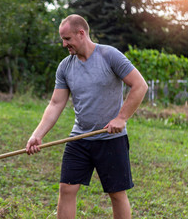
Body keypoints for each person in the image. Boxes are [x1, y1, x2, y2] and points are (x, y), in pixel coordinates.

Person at [25, 14, 148, 219]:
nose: (64, 44)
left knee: (116, 194)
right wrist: (37, 134)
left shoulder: (110, 56)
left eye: (67, 39)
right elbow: (55, 103)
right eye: (63, 39)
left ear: (81, 33)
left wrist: (121, 118)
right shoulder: (65, 66)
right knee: (66, 189)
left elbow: (140, 85)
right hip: (79, 138)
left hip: (111, 139)